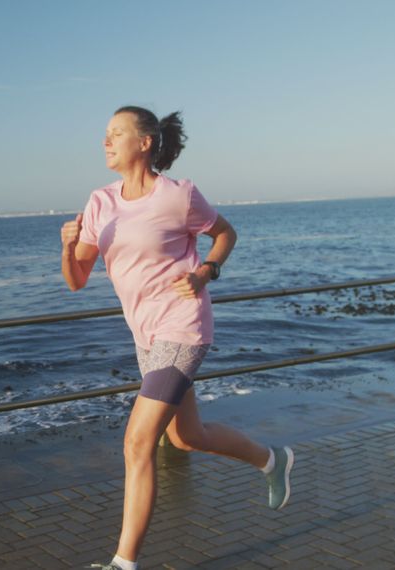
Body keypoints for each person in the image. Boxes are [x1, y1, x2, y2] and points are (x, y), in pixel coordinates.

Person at [60, 106, 294, 570]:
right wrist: (68, 247)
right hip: (145, 335)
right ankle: (273, 461)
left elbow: (225, 233)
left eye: (116, 134)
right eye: (104, 135)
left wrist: (207, 271)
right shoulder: (99, 203)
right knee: (188, 437)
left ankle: (123, 564)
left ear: (144, 143)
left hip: (183, 326)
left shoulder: (178, 196)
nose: (105, 142)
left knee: (136, 442)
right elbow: (77, 279)